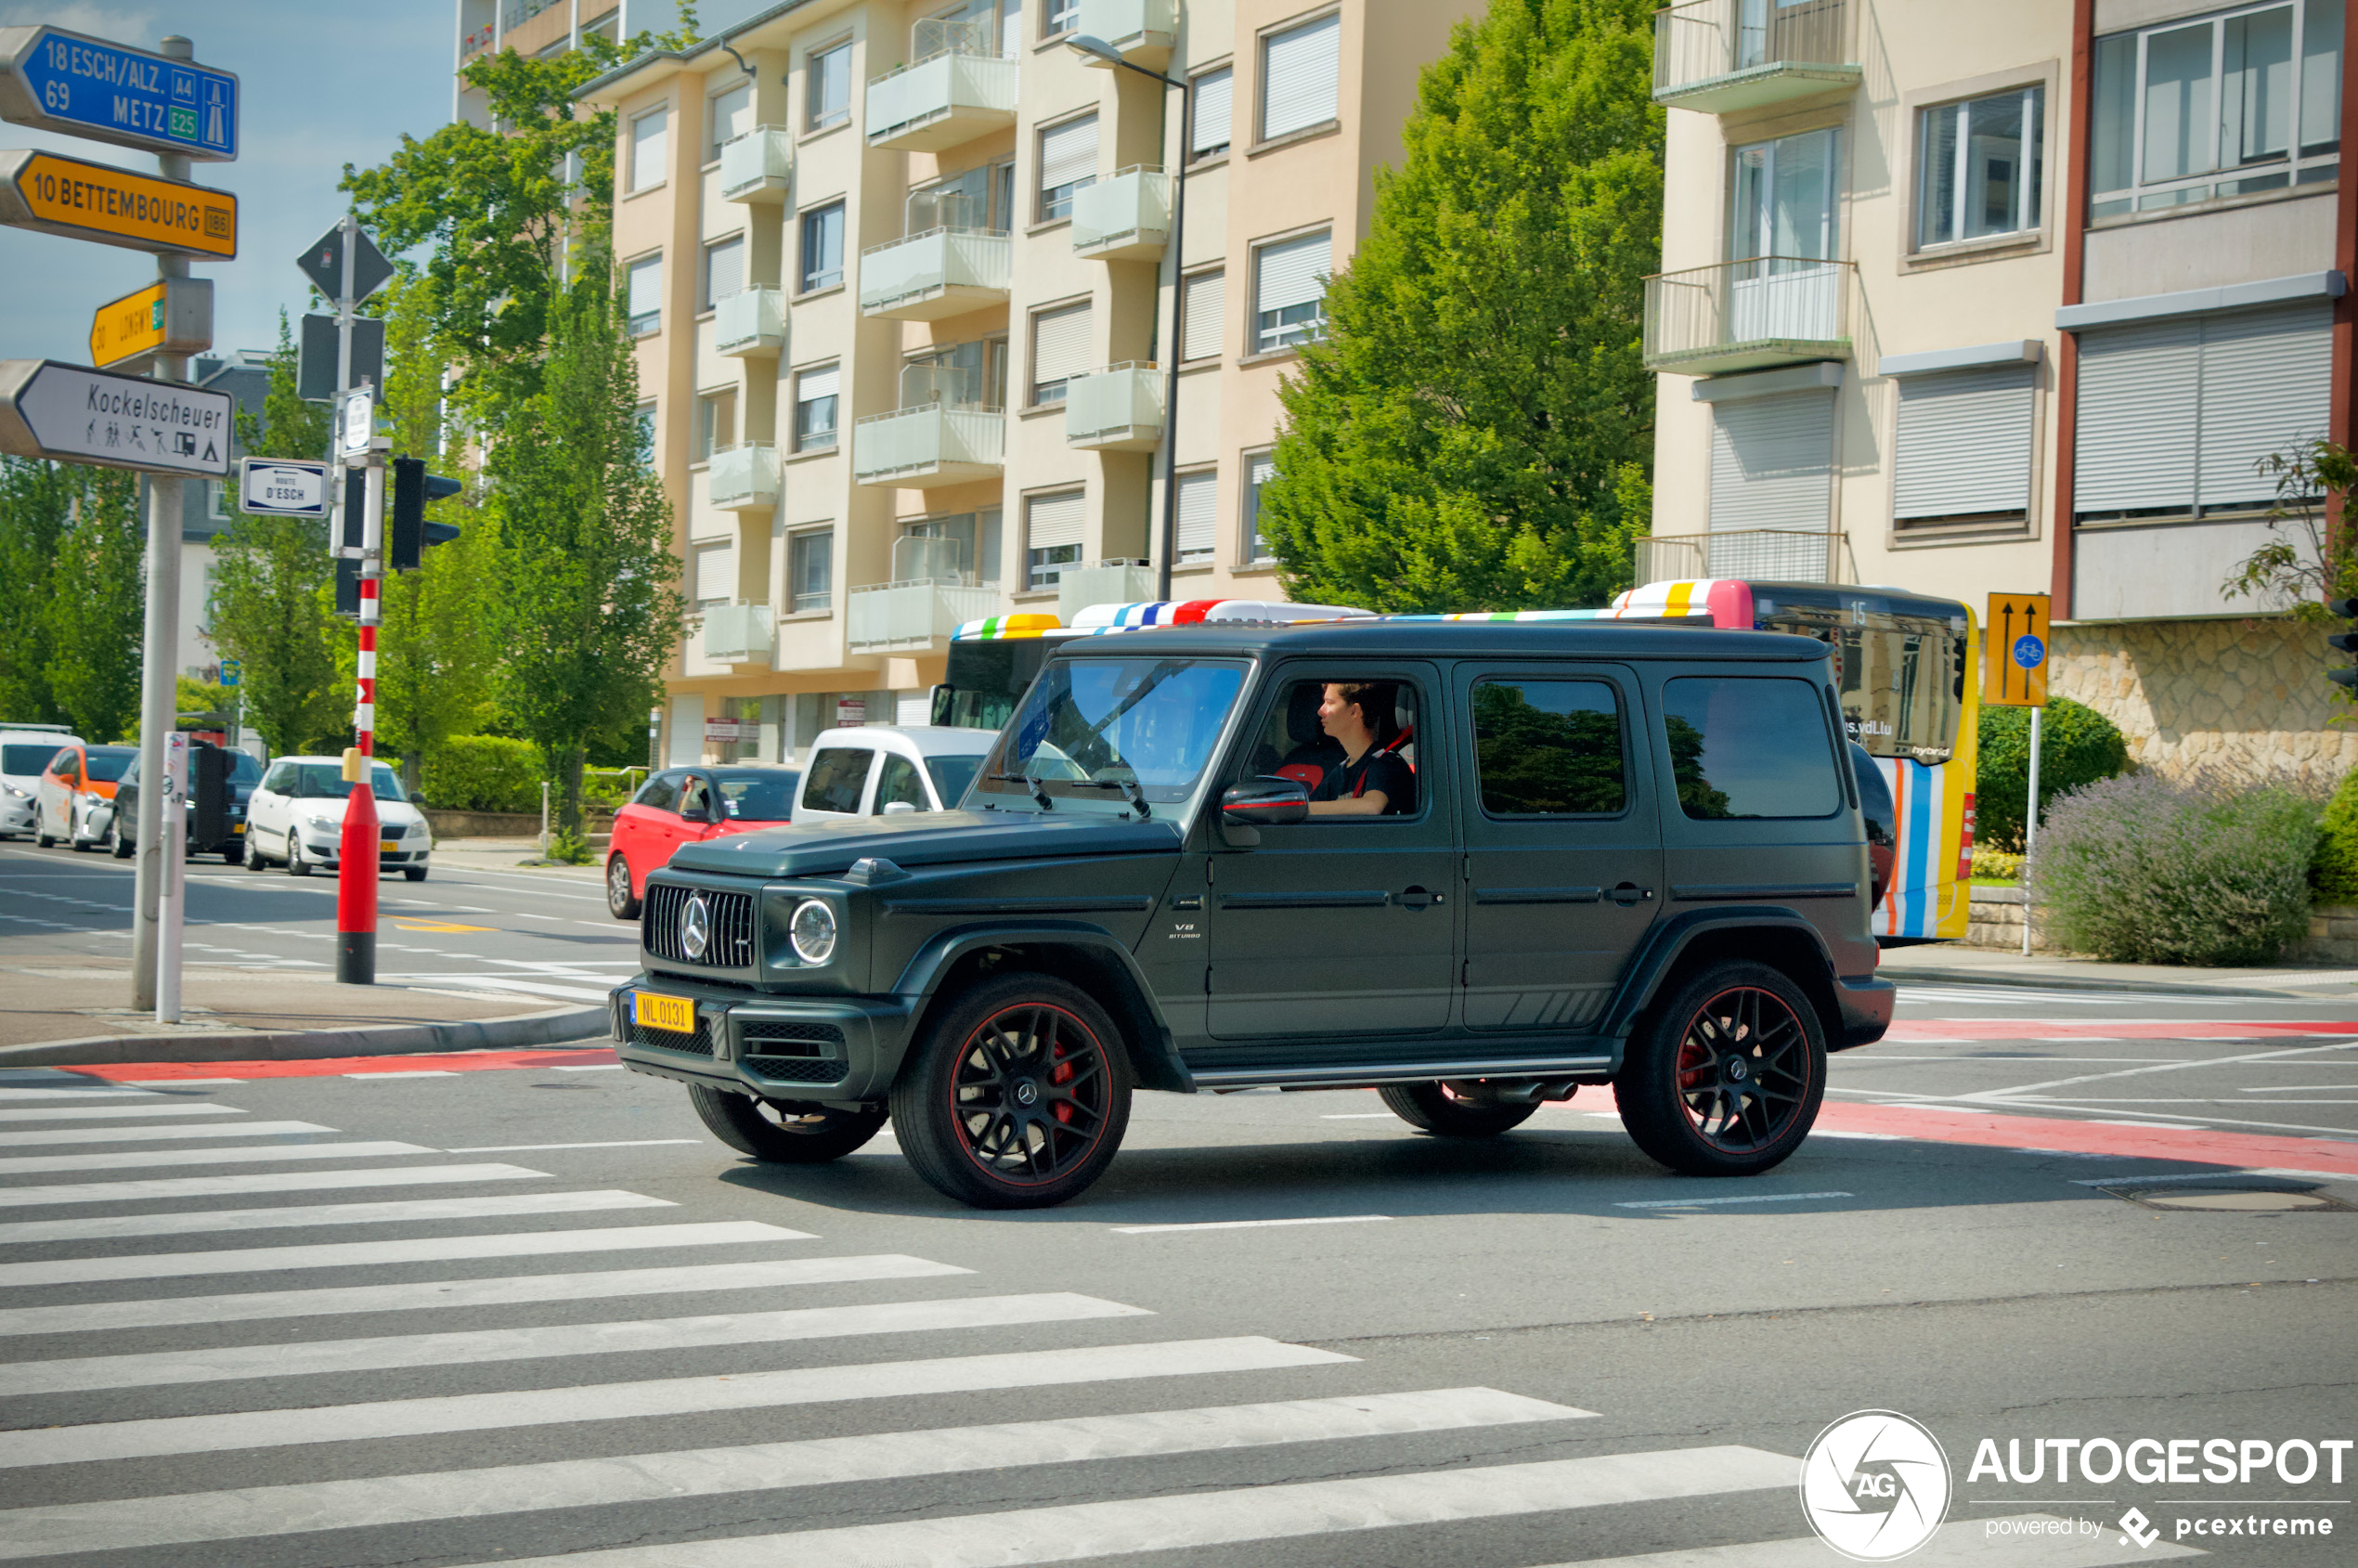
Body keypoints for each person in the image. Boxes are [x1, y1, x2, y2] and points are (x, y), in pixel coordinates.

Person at [1304, 680, 1413, 816]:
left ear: (1354, 711)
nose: (1320, 711)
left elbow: (1372, 806)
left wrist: (1302, 810)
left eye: (1330, 703)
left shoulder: (1386, 764)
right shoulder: (1338, 773)